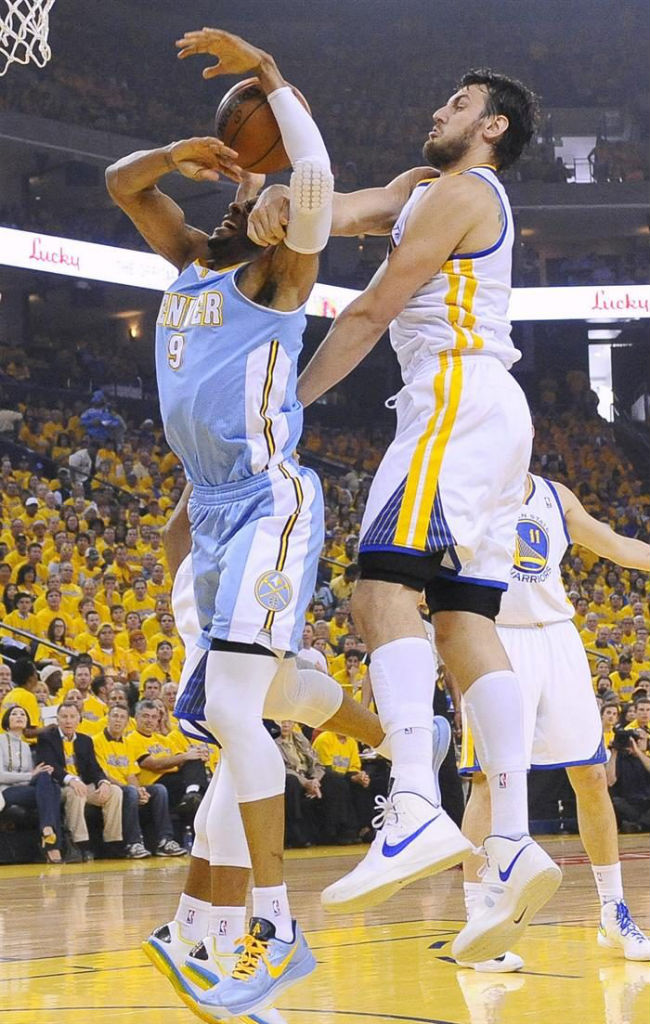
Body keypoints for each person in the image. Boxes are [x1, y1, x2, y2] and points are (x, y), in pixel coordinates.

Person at [253, 69, 554, 959]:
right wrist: (274, 196)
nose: (436, 110)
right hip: (496, 416)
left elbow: (376, 308)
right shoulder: (431, 191)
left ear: (493, 125)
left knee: (378, 591)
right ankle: (508, 837)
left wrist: (288, 405)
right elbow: (337, 213)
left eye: (458, 105)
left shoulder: (463, 190)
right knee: (464, 620)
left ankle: (417, 800)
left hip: (453, 398)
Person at [106, 24, 336, 1015]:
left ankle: (268, 921)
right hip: (208, 515)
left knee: (240, 712)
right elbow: (124, 183)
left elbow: (317, 174)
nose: (272, 196)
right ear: (237, 197)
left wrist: (272, 81)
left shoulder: (279, 284)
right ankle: (204, 930)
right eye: (258, 186)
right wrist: (176, 155)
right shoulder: (193, 260)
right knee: (221, 714)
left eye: (283, 197)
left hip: (270, 503)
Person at [459, 474, 650, 967]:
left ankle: (613, 911)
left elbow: (616, 546)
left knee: (589, 776)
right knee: (486, 780)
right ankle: (477, 919)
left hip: (558, 639)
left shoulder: (556, 495)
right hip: (496, 637)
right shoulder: (466, 487)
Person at [92, 704, 185, 858]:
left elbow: (131, 775)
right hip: (109, 787)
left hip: (127, 787)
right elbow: (103, 774)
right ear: (107, 718)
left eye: (122, 717)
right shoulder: (96, 741)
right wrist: (132, 789)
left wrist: (140, 789)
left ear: (127, 722)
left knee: (159, 789)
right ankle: (133, 843)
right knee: (129, 791)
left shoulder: (127, 743)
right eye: (115, 716)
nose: (118, 720)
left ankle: (165, 840)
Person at [36, 702, 124, 861]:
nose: (68, 721)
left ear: (79, 720)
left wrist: (103, 782)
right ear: (57, 719)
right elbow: (49, 765)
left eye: (72, 717)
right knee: (76, 792)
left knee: (115, 791)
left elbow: (94, 768)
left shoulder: (85, 740)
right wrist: (71, 780)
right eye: (64, 717)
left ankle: (113, 843)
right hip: (59, 786)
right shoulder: (46, 738)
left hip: (83, 785)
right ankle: (79, 844)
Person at [0, 705, 62, 863]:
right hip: (6, 790)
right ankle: (52, 845)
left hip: (25, 789)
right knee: (51, 789)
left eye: (23, 714)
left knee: (48, 779)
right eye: (14, 714)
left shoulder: (26, 747)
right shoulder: (0, 741)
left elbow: (29, 779)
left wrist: (38, 774)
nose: (19, 716)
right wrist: (31, 775)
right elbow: (0, 776)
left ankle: (48, 832)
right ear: (7, 720)